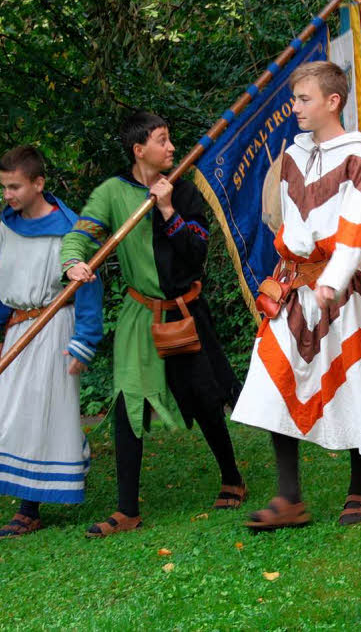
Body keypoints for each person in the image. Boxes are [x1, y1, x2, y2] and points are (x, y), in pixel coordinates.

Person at [61, 111, 245, 538]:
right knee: (129, 403)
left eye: (171, 140)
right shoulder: (112, 192)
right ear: (138, 149)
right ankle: (127, 510)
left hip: (186, 312)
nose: (172, 148)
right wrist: (73, 262)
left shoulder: (184, 191)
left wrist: (165, 208)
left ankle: (232, 476)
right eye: (162, 141)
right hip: (140, 316)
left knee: (205, 400)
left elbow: (196, 252)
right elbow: (81, 234)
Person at [231, 61, 361, 528]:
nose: (294, 107)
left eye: (304, 99)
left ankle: (359, 493)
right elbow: (286, 222)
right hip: (291, 286)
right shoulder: (294, 156)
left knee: (355, 381)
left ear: (332, 101)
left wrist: (332, 282)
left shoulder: (358, 158)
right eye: (295, 98)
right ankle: (289, 498)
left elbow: (358, 228)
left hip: (337, 292)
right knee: (274, 381)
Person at [0, 146, 103, 539]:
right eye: (4, 187)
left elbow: (89, 288)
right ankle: (73, 451)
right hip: (16, 333)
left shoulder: (71, 229)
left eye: (14, 186)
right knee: (9, 416)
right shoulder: (6, 229)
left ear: (38, 183)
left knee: (41, 415)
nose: (7, 195)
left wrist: (84, 341)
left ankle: (28, 511)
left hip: (55, 328)